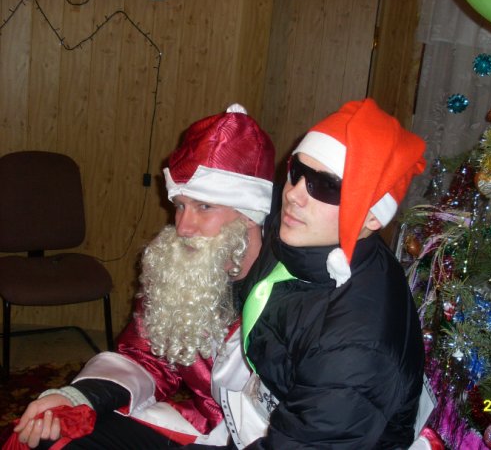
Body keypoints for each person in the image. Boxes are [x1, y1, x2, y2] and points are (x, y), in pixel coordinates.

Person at [11, 104, 275, 449]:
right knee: (55, 434)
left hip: (269, 438)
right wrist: (76, 397)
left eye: (204, 207)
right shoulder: (186, 271)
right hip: (207, 427)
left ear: (250, 213)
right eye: (180, 205)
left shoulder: (297, 294)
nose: (183, 226)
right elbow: (147, 356)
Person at [220, 98, 428, 449]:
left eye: (327, 186)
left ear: (372, 217)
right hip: (258, 413)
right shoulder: (301, 237)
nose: (294, 195)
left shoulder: (357, 346)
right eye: (297, 171)